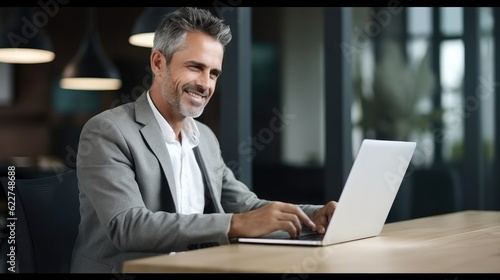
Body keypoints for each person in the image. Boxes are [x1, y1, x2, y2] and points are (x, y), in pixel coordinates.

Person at [70, 7, 337, 273]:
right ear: (158, 63)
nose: (205, 84)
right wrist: (235, 224)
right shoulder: (108, 131)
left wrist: (314, 215)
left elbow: (245, 205)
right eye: (195, 67)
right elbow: (128, 226)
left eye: (213, 73)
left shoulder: (205, 138)